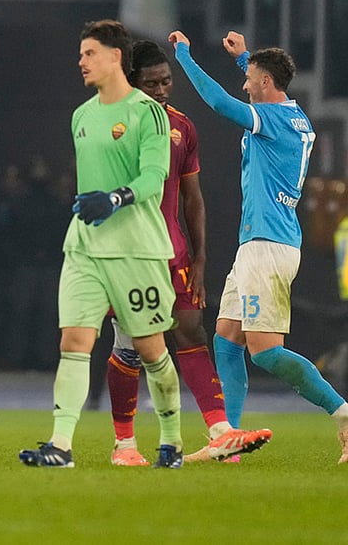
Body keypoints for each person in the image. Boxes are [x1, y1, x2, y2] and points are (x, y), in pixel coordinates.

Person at [170, 28, 348, 464]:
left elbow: (218, 104)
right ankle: (227, 441)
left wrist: (184, 58)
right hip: (261, 245)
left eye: (249, 78)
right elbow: (259, 88)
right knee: (226, 341)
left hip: (268, 247)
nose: (244, 84)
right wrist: (244, 57)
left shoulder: (272, 120)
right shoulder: (294, 117)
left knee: (264, 351)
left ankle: (343, 412)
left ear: (265, 83)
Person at [19, 19, 184, 469]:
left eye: (89, 53)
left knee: (151, 350)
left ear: (116, 57)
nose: (81, 62)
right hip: (86, 247)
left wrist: (114, 198)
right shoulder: (82, 115)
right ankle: (61, 445)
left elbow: (154, 178)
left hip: (137, 250)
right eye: (80, 54)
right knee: (74, 340)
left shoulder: (146, 112)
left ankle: (171, 437)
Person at [102, 40, 229, 466]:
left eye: (166, 81)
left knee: (192, 330)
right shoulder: (112, 124)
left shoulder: (183, 127)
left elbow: (193, 198)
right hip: (128, 253)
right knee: (130, 347)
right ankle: (125, 444)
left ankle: (220, 431)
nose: (161, 90)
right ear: (132, 81)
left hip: (172, 251)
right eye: (151, 82)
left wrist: (200, 256)